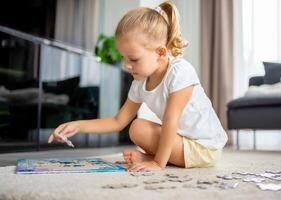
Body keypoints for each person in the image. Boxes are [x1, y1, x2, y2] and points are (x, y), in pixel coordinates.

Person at [48, 1, 228, 172]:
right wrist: (78, 125)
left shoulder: (180, 71)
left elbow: (171, 120)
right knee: (137, 128)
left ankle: (155, 158)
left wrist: (158, 163)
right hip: (181, 141)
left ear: (160, 52)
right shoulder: (139, 83)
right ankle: (154, 157)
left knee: (144, 128)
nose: (127, 65)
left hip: (205, 148)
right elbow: (117, 122)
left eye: (133, 59)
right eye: (124, 58)